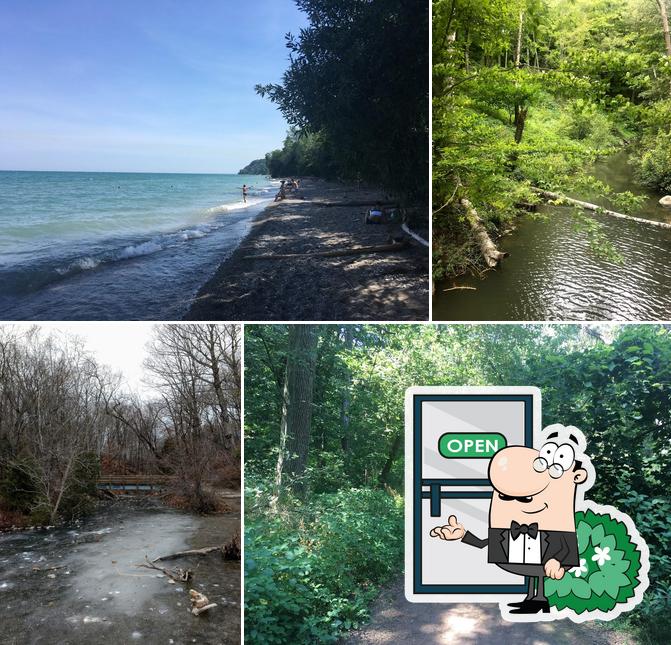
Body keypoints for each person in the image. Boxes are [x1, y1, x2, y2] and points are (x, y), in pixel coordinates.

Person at [430, 425, 588, 615]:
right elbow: (483, 544)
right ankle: (532, 599)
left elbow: (567, 549)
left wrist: (558, 561)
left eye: (526, 498)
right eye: (505, 497)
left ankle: (540, 599)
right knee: (532, 574)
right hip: (523, 557)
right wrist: (463, 535)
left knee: (537, 572)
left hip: (546, 561)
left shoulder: (559, 527)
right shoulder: (507, 530)